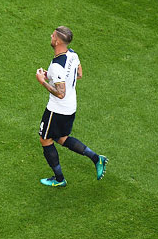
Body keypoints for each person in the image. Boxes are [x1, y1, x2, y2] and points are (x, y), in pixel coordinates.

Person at [35, 26, 107, 187]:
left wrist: (43, 81)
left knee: (45, 139)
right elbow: (78, 74)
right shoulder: (72, 54)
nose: (51, 36)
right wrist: (50, 76)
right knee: (61, 138)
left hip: (57, 109)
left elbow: (60, 93)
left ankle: (59, 179)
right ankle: (96, 158)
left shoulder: (57, 65)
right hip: (70, 107)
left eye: (53, 35)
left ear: (58, 41)